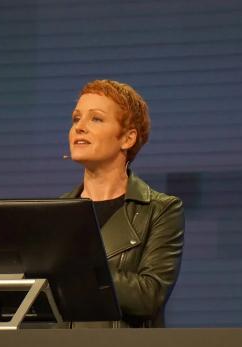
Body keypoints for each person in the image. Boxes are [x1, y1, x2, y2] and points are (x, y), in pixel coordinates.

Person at [61, 80, 184, 328]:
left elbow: (149, 296)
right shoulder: (55, 215)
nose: (79, 127)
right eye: (76, 119)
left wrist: (83, 265)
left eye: (96, 119)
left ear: (127, 139)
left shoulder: (160, 210)